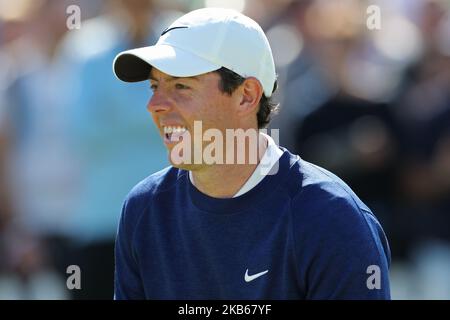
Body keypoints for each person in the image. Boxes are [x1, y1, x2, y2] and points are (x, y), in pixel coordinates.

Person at [112, 7, 391, 300]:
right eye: (155, 86)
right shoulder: (143, 209)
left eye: (181, 86)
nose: (154, 104)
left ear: (247, 96)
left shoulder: (331, 217)